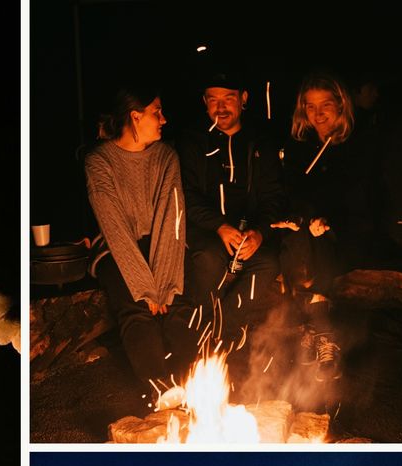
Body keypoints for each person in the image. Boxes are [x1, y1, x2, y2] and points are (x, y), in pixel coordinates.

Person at [272, 70, 379, 381]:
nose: (317, 114)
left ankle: (320, 331)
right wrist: (298, 219)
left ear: (341, 105)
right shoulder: (298, 145)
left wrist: (328, 221)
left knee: (314, 240)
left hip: (349, 230)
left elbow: (361, 202)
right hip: (310, 231)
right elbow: (293, 191)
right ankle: (317, 330)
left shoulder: (356, 146)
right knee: (297, 237)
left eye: (325, 105)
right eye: (310, 106)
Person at [84, 84, 187, 393]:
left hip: (161, 245)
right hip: (116, 251)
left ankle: (192, 386)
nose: (164, 119)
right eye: (157, 112)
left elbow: (173, 220)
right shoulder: (99, 161)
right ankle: (158, 390)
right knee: (135, 308)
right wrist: (146, 288)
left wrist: (165, 281)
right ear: (135, 116)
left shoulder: (166, 157)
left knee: (178, 303)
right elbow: (114, 227)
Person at [176, 69, 285, 340]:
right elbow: (184, 195)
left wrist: (260, 233)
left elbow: (274, 196)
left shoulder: (261, 142)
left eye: (228, 98)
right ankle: (198, 333)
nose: (221, 107)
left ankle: (222, 334)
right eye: (213, 99)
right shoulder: (192, 142)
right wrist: (219, 227)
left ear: (243, 98)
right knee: (209, 260)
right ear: (204, 101)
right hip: (207, 232)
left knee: (269, 263)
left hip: (249, 232)